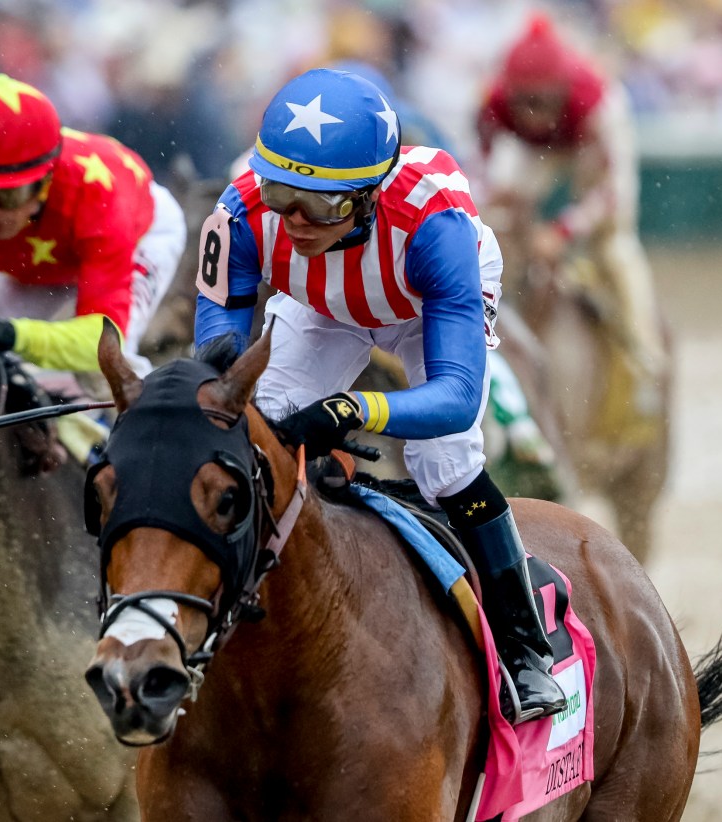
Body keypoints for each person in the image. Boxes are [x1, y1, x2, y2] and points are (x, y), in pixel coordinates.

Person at [194, 68, 565, 722]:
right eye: (283, 194)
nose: (298, 220)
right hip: (319, 307)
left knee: (443, 463)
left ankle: (523, 647)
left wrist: (354, 408)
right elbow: (217, 354)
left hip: (423, 304)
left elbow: (451, 397)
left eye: (325, 205)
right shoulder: (239, 211)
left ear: (369, 197)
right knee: (244, 439)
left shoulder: (436, 224)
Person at [0, 73, 185, 376]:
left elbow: (102, 345)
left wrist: (14, 336)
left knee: (101, 373)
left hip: (142, 233)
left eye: (9, 196)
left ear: (45, 182)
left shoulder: (99, 201)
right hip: (40, 254)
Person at [476, 11, 667, 397]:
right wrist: (498, 204)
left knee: (615, 246)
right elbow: (478, 175)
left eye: (541, 102)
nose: (531, 114)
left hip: (588, 143)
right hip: (539, 151)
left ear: (562, 91)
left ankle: (648, 359)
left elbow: (610, 195)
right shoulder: (491, 104)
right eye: (523, 101)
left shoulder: (596, 103)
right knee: (492, 222)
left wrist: (563, 231)